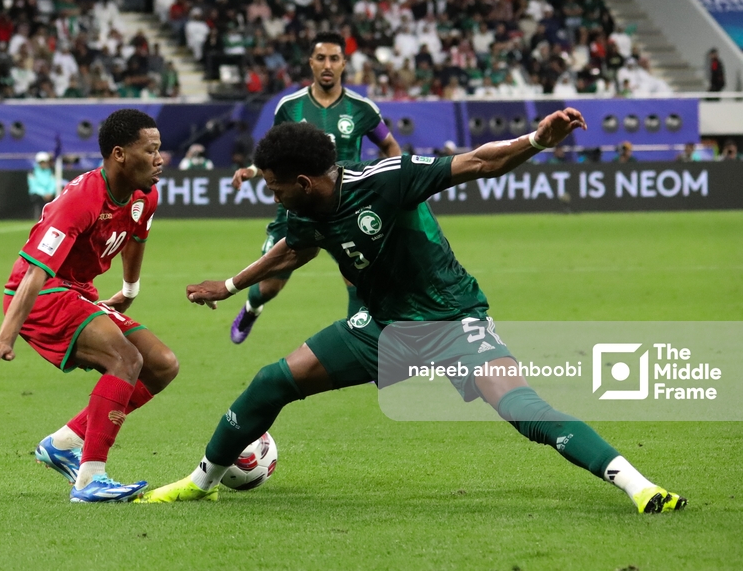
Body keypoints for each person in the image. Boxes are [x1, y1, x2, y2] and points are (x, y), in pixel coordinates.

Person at [141, 111, 687, 515]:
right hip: (382, 328)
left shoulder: (386, 179)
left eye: (274, 185)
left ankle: (637, 485)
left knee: (522, 407)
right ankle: (201, 482)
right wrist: (231, 285)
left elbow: (480, 161)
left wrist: (537, 140)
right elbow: (293, 250)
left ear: (303, 182)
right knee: (271, 382)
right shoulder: (305, 209)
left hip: (452, 321)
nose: (272, 194)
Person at [0, 109, 178, 503]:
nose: (159, 159)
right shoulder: (81, 199)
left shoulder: (146, 195)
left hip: (78, 291)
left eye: (159, 149)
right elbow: (35, 273)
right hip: (41, 295)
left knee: (162, 365)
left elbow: (136, 238)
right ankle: (90, 479)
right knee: (125, 359)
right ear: (119, 154)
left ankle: (64, 443)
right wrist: (5, 337)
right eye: (150, 150)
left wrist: (129, 289)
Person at [229, 31, 402, 344]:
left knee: (358, 280)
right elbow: (273, 151)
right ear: (311, 62)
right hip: (297, 207)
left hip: (346, 207)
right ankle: (252, 307)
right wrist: (253, 170)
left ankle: (359, 347)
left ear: (344, 64)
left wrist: (394, 183)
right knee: (270, 285)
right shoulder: (290, 107)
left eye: (334, 58)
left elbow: (390, 146)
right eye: (321, 58)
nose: (327, 65)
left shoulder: (362, 109)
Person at [28, 152, 58, 219]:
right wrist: (44, 193)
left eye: (45, 162)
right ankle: (39, 218)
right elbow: (34, 186)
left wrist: (50, 193)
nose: (43, 164)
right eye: (41, 162)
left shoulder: (51, 171)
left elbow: (52, 183)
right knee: (39, 200)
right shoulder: (32, 172)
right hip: (37, 194)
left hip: (49, 194)